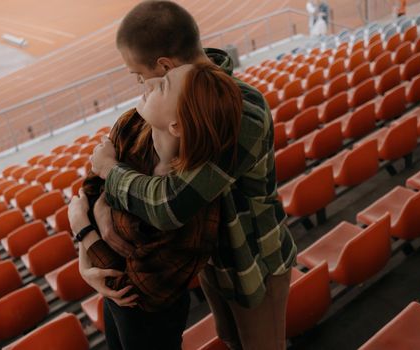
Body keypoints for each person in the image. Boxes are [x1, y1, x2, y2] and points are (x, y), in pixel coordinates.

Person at [88, 1, 297, 349]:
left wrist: (110, 171)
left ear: (165, 66)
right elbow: (97, 172)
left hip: (254, 260)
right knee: (230, 338)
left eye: (139, 75)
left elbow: (171, 204)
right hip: (214, 258)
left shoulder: (241, 110)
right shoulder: (171, 106)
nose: (140, 86)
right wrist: (88, 216)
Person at [69, 62, 242, 349]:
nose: (147, 84)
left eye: (162, 85)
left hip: (149, 319)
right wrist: (85, 256)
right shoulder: (132, 128)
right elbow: (90, 188)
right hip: (112, 301)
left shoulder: (190, 209)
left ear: (175, 125)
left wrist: (84, 231)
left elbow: (137, 290)